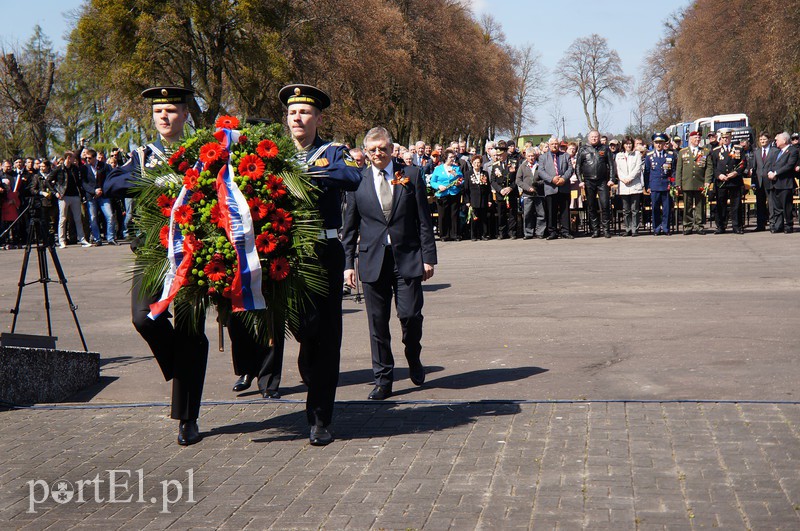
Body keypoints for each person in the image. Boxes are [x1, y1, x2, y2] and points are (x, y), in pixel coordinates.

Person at [104, 86, 208, 446]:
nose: (164, 117)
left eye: (172, 110)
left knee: (191, 332)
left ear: (185, 115)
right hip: (151, 253)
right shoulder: (143, 157)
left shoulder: (200, 154)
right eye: (159, 111)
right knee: (141, 317)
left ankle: (187, 418)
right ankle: (182, 366)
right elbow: (111, 183)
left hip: (192, 252)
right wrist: (151, 180)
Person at [278, 83, 362, 445]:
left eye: (305, 112)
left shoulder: (333, 152)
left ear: (318, 118)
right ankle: (307, 357)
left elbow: (353, 177)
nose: (298, 117)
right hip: (283, 254)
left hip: (324, 252)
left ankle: (320, 420)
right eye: (293, 112)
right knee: (305, 330)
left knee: (327, 337)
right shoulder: (274, 154)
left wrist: (311, 175)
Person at [342, 126, 436, 401]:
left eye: (382, 148)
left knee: (410, 315)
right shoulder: (356, 181)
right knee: (377, 324)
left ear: (392, 148)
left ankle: (413, 355)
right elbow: (350, 228)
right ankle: (383, 379)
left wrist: (428, 258)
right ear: (366, 152)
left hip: (406, 258)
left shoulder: (411, 175)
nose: (377, 153)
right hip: (373, 260)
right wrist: (348, 265)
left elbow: (423, 220)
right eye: (372, 150)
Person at [576, 130, 617, 238]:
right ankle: (595, 230)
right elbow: (577, 167)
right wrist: (581, 181)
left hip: (602, 181)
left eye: (596, 137)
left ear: (599, 137)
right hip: (589, 181)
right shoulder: (583, 149)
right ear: (588, 138)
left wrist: (612, 179)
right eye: (592, 137)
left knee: (605, 205)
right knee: (591, 206)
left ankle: (606, 229)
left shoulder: (605, 148)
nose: (594, 138)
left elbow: (612, 165)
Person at [708, 129, 746, 234]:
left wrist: (736, 172)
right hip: (721, 181)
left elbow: (743, 163)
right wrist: (719, 175)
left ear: (731, 138)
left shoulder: (738, 149)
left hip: (734, 181)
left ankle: (737, 226)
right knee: (721, 204)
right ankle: (721, 226)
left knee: (736, 204)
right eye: (723, 138)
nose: (725, 140)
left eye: (727, 138)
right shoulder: (716, 151)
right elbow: (713, 166)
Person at [675, 131, 711, 235]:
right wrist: (678, 183)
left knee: (700, 205)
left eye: (699, 138)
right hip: (687, 183)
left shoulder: (705, 151)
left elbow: (709, 168)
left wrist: (707, 181)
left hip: (700, 183)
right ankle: (687, 226)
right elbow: (679, 169)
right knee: (688, 205)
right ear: (690, 139)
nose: (697, 140)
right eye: (695, 138)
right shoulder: (683, 152)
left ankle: (699, 225)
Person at [538, 137, 574, 240]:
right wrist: (551, 179)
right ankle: (552, 232)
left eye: (556, 144)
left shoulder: (566, 156)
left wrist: (563, 178)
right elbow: (541, 171)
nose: (554, 145)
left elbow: (570, 169)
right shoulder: (543, 157)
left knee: (565, 210)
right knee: (551, 211)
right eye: (552, 144)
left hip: (564, 187)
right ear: (549, 145)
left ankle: (565, 231)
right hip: (550, 187)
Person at [54, 151, 91, 248]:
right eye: (73, 157)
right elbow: (48, 180)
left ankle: (82, 239)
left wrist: (81, 195)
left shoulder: (75, 168)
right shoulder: (59, 168)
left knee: (78, 219)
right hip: (64, 196)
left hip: (75, 196)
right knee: (63, 219)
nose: (74, 159)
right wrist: (56, 192)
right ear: (68, 158)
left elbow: (78, 182)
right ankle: (62, 240)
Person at [765, 132, 799, 233]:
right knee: (777, 207)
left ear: (784, 140)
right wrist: (770, 172)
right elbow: (771, 164)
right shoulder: (776, 152)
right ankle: (778, 225)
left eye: (777, 139)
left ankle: (788, 225)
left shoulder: (793, 151)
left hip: (785, 183)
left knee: (786, 206)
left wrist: (776, 173)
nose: (775, 141)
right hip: (775, 183)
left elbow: (789, 165)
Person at [643, 133, 675, 236]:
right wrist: (647, 186)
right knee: (655, 208)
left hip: (666, 185)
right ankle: (656, 228)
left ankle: (666, 228)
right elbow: (647, 172)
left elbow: (673, 171)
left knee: (666, 209)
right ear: (653, 143)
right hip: (655, 186)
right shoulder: (649, 156)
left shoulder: (670, 155)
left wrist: (672, 183)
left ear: (664, 143)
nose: (659, 145)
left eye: (661, 143)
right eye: (656, 143)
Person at [429, 148, 463, 241]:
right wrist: (439, 186)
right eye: (451, 157)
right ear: (445, 157)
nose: (453, 159)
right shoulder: (438, 169)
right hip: (442, 194)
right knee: (443, 214)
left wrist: (458, 180)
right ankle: (444, 235)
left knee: (454, 214)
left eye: (454, 157)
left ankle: (455, 234)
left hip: (454, 193)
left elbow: (461, 180)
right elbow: (432, 182)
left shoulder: (456, 168)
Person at [488, 140, 519, 239]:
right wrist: (500, 189)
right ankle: (502, 232)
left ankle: (512, 232)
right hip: (501, 193)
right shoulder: (495, 165)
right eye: (498, 155)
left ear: (505, 153)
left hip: (511, 192)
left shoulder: (513, 163)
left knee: (512, 214)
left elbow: (517, 179)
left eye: (501, 154)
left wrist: (511, 187)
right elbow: (493, 180)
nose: (499, 157)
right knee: (501, 214)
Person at [615, 137, 644, 236]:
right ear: (623, 145)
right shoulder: (619, 155)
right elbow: (618, 169)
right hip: (624, 185)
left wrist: (630, 178)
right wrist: (623, 179)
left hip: (634, 184)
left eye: (630, 144)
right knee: (626, 210)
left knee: (635, 209)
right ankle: (627, 229)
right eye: (626, 144)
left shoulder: (637, 154)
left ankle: (635, 229)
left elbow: (638, 168)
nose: (628, 146)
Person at [516, 146, 545, 239]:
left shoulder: (540, 166)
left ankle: (540, 232)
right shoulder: (522, 166)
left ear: (535, 156)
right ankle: (528, 233)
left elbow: (545, 179)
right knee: (527, 214)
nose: (531, 158)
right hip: (527, 194)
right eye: (529, 156)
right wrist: (527, 188)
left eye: (532, 156)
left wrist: (537, 184)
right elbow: (518, 180)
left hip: (539, 194)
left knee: (541, 214)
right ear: (526, 157)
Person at [463, 155, 491, 240]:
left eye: (478, 162)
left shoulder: (484, 173)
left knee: (484, 218)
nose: (477, 164)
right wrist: (467, 201)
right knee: (474, 219)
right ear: (472, 164)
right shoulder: (468, 174)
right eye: (475, 163)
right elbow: (465, 189)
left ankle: (484, 234)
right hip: (473, 200)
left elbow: (488, 188)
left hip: (483, 199)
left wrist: (489, 200)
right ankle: (474, 235)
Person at [750, 132, 773, 232]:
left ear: (768, 140)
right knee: (760, 204)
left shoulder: (774, 151)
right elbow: (754, 169)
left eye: (764, 139)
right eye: (761, 140)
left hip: (770, 181)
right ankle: (760, 225)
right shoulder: (756, 152)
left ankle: (773, 224)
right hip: (759, 182)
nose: (762, 141)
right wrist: (753, 182)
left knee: (771, 203)